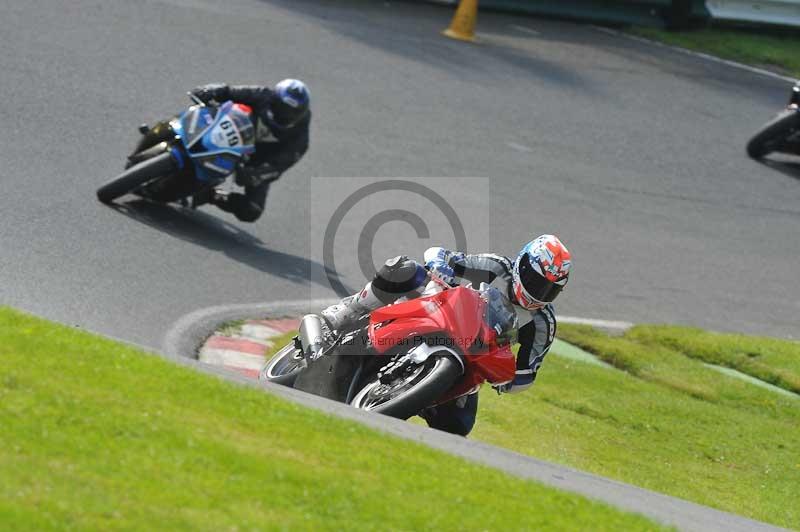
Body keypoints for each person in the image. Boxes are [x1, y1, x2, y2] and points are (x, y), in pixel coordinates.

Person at [321, 235, 572, 436]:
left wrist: (505, 381)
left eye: (550, 289)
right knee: (406, 269)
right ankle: (349, 310)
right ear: (522, 264)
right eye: (536, 281)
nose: (540, 292)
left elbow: (526, 374)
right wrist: (441, 267)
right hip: (441, 312)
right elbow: (440, 254)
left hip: (473, 357)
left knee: (458, 427)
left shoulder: (543, 322)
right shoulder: (498, 267)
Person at [131, 79, 311, 222]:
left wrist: (256, 173)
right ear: (274, 99)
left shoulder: (299, 139)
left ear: (300, 114)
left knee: (252, 210)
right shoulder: (263, 95)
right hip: (227, 130)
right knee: (181, 119)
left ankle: (210, 195)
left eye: (289, 113)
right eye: (280, 107)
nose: (283, 114)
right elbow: (229, 91)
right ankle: (149, 143)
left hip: (254, 159)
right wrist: (211, 90)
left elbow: (278, 167)